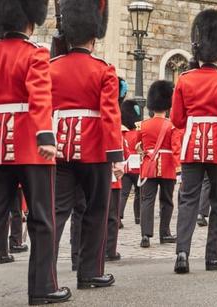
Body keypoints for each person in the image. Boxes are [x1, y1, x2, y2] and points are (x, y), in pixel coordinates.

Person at [0, 0, 71, 305]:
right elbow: (40, 97)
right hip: (32, 146)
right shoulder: (35, 54)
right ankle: (41, 288)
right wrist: (46, 135)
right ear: (30, 19)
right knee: (42, 218)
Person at [51, 0, 124, 289]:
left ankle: (45, 276)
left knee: (56, 213)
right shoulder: (104, 70)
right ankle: (89, 272)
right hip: (94, 150)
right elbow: (109, 114)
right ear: (94, 37)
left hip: (58, 147)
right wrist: (116, 154)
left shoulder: (51, 67)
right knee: (95, 211)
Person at [171, 9, 217, 274]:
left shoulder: (184, 80)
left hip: (191, 145)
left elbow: (177, 119)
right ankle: (213, 256)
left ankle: (182, 252)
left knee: (188, 200)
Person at [137, 80, 180, 248]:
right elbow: (176, 148)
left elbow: (138, 146)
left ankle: (145, 235)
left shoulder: (142, 125)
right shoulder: (172, 126)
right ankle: (165, 233)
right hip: (168, 166)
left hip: (149, 165)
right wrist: (179, 169)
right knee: (167, 201)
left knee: (147, 200)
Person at [120, 99, 143, 226]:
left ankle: (118, 216)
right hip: (137, 166)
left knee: (123, 193)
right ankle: (138, 217)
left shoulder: (123, 133)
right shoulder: (138, 132)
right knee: (139, 192)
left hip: (125, 165)